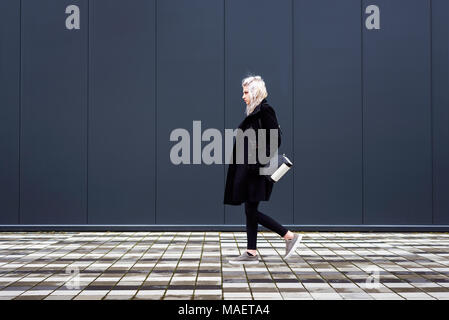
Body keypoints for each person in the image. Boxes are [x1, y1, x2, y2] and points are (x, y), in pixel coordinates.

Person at [223, 75, 302, 265]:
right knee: (250, 209)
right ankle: (251, 253)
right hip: (250, 169)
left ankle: (289, 236)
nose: (243, 96)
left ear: (255, 92)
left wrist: (257, 159)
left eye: (246, 92)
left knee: (251, 210)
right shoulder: (255, 112)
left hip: (256, 170)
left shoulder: (265, 110)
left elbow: (275, 139)